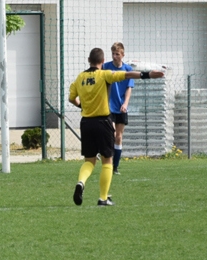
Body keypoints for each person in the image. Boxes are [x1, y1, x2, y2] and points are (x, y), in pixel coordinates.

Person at [68, 47, 164, 207]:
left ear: (88, 60)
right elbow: (126, 75)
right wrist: (147, 75)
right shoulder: (104, 74)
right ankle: (103, 198)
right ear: (102, 61)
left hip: (86, 123)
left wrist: (83, 107)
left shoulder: (80, 78)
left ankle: (81, 182)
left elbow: (72, 98)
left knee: (89, 160)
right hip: (103, 122)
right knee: (107, 160)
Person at [102, 42, 134, 174]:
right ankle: (107, 161)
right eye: (113, 54)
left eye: (117, 54)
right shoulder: (105, 67)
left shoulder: (127, 69)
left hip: (121, 107)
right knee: (112, 134)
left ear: (122, 55)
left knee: (119, 137)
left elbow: (129, 88)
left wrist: (125, 104)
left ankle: (115, 166)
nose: (114, 56)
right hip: (109, 107)